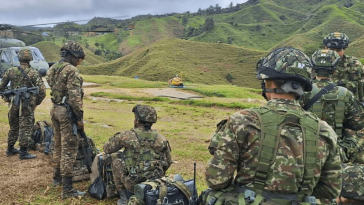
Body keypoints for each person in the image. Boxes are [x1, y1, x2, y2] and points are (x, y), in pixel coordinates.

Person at [203, 47, 342, 205]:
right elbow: (330, 190)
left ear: (267, 82)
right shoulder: (324, 130)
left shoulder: (242, 121)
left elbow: (216, 179)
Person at [299, 49, 364, 163]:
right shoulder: (346, 94)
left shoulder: (302, 92)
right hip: (336, 151)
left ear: (313, 69)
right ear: (334, 70)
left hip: (306, 149)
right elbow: (357, 124)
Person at [103, 104, 172, 205]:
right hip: (155, 184)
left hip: (133, 185)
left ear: (137, 121)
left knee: (115, 161)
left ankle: (124, 198)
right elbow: (168, 162)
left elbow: (107, 149)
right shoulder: (161, 138)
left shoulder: (127, 135)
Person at [46, 40, 86, 198]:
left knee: (58, 145)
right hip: (67, 112)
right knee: (69, 149)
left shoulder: (53, 68)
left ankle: (57, 179)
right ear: (73, 56)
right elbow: (75, 98)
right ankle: (68, 189)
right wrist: (79, 118)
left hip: (55, 109)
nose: (79, 62)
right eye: (79, 59)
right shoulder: (71, 70)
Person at [0, 47, 46, 159]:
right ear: (30, 58)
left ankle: (10, 149)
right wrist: (35, 103)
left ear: (19, 58)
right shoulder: (33, 73)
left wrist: (7, 99)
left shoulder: (11, 71)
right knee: (25, 126)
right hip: (26, 105)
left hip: (13, 105)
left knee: (14, 126)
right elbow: (42, 91)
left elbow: (1, 88)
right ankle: (23, 152)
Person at [323, 32, 364, 103]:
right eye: (331, 50)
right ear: (325, 48)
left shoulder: (355, 64)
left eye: (338, 50)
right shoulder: (318, 65)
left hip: (352, 108)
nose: (335, 53)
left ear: (344, 49)